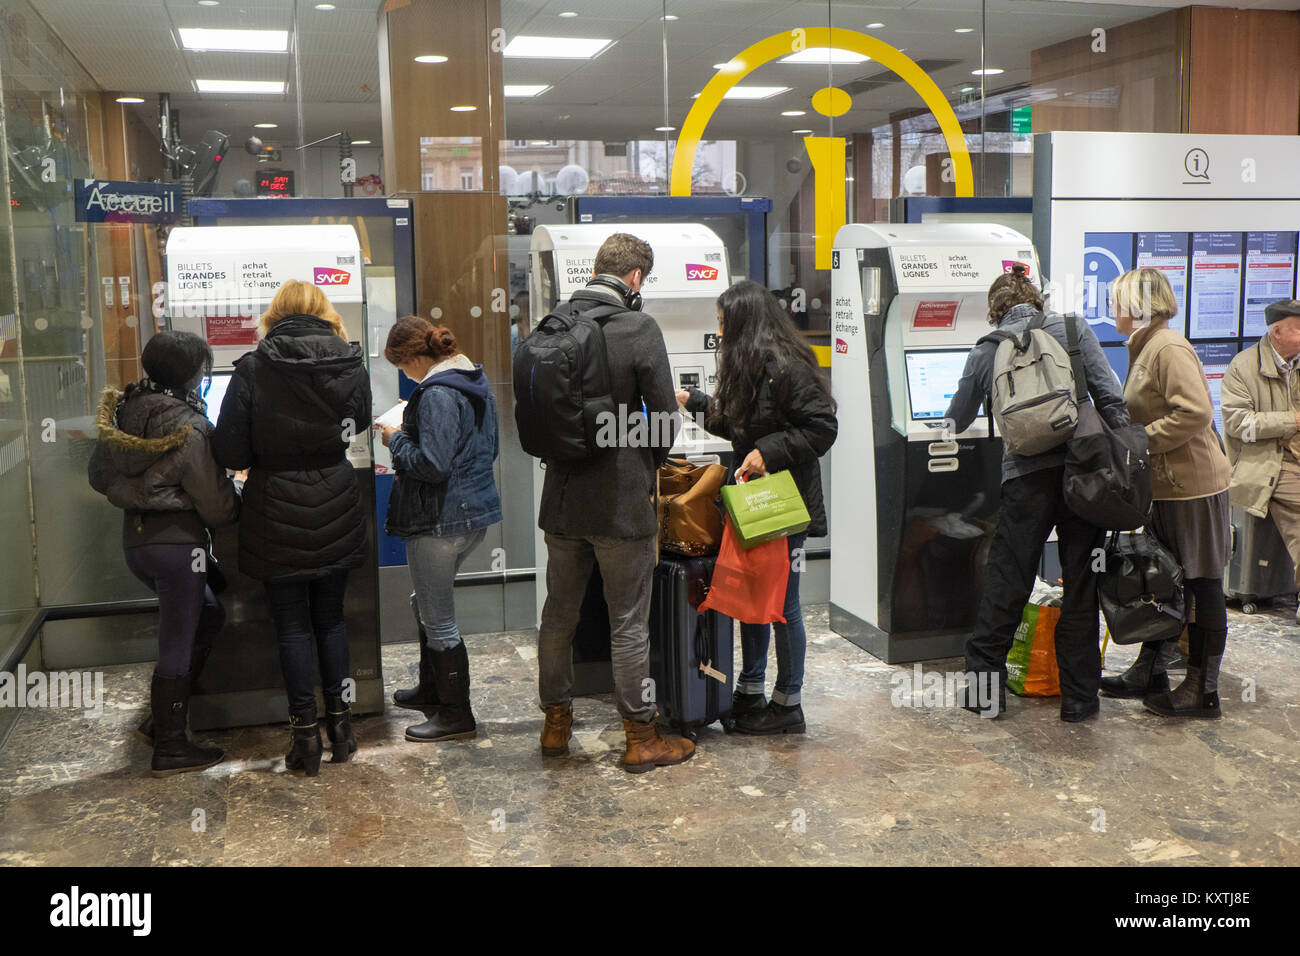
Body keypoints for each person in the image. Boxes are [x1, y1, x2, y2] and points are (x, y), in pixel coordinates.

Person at [534, 232, 695, 774]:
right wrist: (643, 456)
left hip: (560, 499)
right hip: (622, 503)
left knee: (559, 614)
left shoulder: (555, 321)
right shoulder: (637, 327)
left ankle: (556, 725)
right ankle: (641, 736)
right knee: (628, 620)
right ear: (635, 279)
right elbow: (665, 420)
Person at [945, 268, 1130, 721]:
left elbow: (957, 415)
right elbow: (1110, 398)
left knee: (1008, 580)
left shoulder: (987, 349)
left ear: (995, 310)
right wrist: (1121, 461)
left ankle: (986, 697)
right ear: (1037, 299)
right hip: (1082, 475)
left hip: (1024, 477)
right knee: (1080, 584)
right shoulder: (1072, 328)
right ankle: (1080, 700)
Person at [212, 279, 372, 777]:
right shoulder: (349, 361)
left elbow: (231, 451)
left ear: (274, 315)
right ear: (323, 311)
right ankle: (342, 727)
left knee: (292, 626)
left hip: (275, 503)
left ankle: (304, 735)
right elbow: (360, 424)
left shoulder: (254, 368)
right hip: (336, 498)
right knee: (331, 619)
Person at [678, 279, 838, 734]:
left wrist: (770, 452)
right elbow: (739, 429)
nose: (720, 332)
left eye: (724, 322)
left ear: (745, 323)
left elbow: (823, 429)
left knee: (783, 604)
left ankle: (789, 704)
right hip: (754, 507)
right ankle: (750, 690)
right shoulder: (751, 367)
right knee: (751, 599)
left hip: (784, 509)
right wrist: (697, 404)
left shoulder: (786, 368)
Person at [88, 330, 239, 776]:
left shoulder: (123, 412)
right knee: (176, 639)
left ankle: (160, 722)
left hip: (138, 543)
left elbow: (99, 476)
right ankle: (171, 746)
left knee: (208, 615)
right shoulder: (189, 425)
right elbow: (215, 505)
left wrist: (138, 492)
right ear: (196, 374)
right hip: (177, 547)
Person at [1100, 268, 1230, 718]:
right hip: (1168, 489)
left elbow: (1195, 412)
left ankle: (1202, 691)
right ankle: (1148, 671)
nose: (1111, 310)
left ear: (1137, 306)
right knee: (1163, 581)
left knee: (1201, 583)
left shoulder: (1168, 348)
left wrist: (1141, 441)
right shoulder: (1147, 347)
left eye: (1116, 301)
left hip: (1192, 488)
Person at [379, 316, 501, 743]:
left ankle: (454, 714)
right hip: (471, 515)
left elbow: (432, 464)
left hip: (439, 520)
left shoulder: (436, 394)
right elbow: (490, 447)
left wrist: (395, 438)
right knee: (426, 604)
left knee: (439, 619)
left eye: (401, 365)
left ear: (414, 358)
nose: (404, 374)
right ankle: (432, 688)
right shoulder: (474, 379)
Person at [1222, 299, 1300, 625]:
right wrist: (1291, 421)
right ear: (1277, 331)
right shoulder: (1243, 367)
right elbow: (1237, 424)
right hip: (1263, 464)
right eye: (1298, 327)